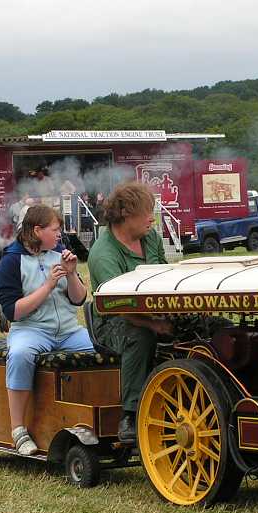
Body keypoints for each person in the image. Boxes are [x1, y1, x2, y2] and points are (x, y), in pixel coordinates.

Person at [0, 205, 94, 455]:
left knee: (98, 349)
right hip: (30, 330)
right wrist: (48, 285)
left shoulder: (60, 253)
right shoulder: (11, 261)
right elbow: (13, 312)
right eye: (55, 229)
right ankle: (18, 430)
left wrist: (72, 276)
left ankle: (94, 419)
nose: (60, 234)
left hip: (69, 331)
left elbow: (79, 299)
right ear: (37, 231)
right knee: (19, 355)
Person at [87, 182, 172, 443]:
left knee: (210, 325)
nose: (152, 218)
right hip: (114, 321)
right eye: (146, 212)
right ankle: (131, 414)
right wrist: (155, 325)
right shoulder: (103, 254)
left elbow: (168, 276)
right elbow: (120, 306)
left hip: (155, 310)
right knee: (140, 335)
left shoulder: (152, 238)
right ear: (125, 215)